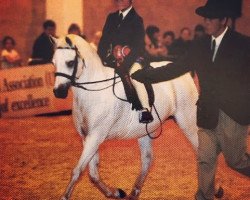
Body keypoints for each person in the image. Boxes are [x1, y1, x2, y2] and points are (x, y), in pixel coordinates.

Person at [132, 0, 250, 199]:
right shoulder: (199, 45)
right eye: (205, 18)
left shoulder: (244, 44)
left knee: (235, 161)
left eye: (210, 18)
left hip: (233, 114)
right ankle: (203, 196)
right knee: (204, 159)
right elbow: (176, 68)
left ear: (224, 20)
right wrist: (144, 76)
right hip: (206, 112)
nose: (206, 21)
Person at [98, 0, 153, 123]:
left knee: (134, 75)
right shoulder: (111, 17)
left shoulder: (137, 20)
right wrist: (101, 58)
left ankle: (145, 109)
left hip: (133, 58)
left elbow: (138, 46)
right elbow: (104, 40)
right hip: (113, 58)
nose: (120, 1)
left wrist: (125, 64)